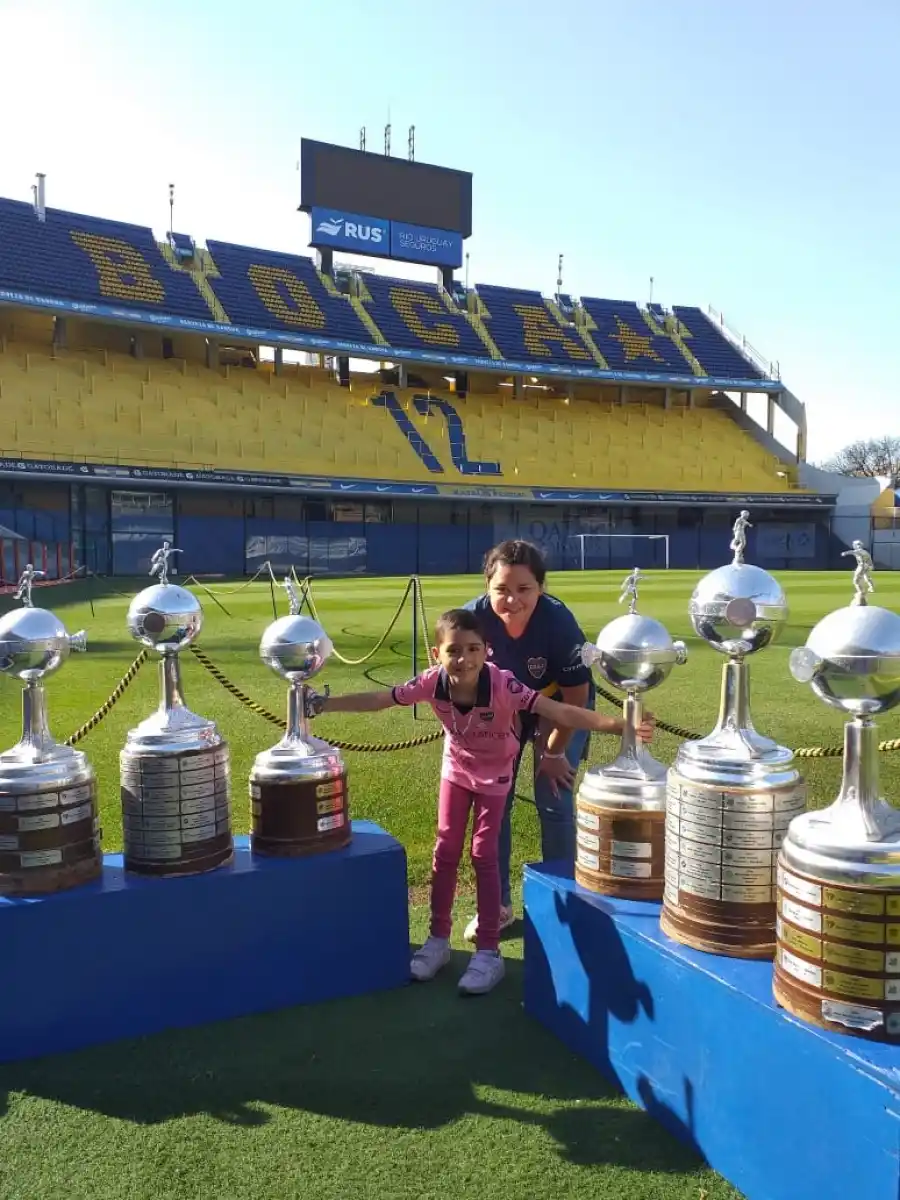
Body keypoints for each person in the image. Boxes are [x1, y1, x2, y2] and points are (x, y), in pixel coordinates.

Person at [307, 607, 654, 996]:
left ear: (486, 651)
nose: (464, 659)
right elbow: (379, 700)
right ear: (437, 655)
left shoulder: (505, 685)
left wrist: (620, 724)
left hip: (496, 776)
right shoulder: (431, 682)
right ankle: (438, 940)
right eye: (454, 650)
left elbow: (560, 711)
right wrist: (324, 704)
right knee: (445, 850)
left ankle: (489, 951)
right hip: (456, 772)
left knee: (483, 854)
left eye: (473, 649)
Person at [462, 539, 605, 943]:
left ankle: (565, 902)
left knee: (554, 797)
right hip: (503, 709)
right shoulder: (472, 619)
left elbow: (577, 696)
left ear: (540, 588)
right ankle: (497, 906)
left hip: (558, 702)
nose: (512, 599)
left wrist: (554, 750)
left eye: (524, 589)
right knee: (494, 804)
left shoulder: (558, 624)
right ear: (487, 586)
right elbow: (456, 681)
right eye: (502, 589)